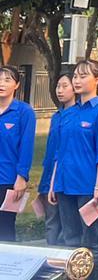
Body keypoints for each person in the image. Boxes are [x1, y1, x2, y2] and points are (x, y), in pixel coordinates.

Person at [53, 59, 98, 280]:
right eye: (76, 76)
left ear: (97, 80)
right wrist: (54, 183)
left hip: (89, 187)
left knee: (92, 241)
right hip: (65, 184)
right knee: (70, 239)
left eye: (83, 76)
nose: (77, 80)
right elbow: (60, 151)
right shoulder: (69, 112)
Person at [39, 72, 76, 245]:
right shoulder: (56, 116)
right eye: (58, 86)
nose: (60, 90)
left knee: (70, 227)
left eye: (64, 86)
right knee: (51, 223)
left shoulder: (78, 115)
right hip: (50, 176)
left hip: (67, 178)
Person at [0, 66, 34, 242]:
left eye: (7, 80)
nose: (2, 84)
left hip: (8, 179)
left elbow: (26, 146)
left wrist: (22, 177)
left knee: (5, 227)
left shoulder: (24, 112)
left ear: (17, 85)